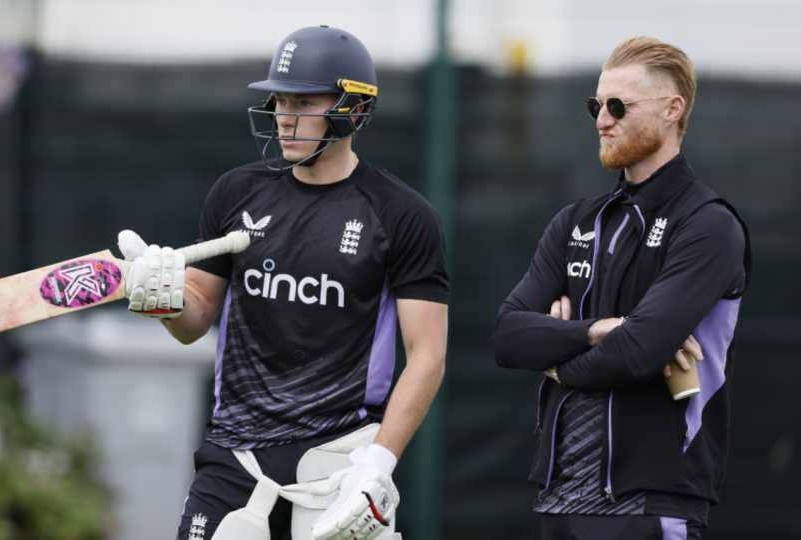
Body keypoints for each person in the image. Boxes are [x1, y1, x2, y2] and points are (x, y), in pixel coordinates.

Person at [117, 25, 449, 540]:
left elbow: (427, 355)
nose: (285, 118)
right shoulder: (236, 193)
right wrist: (163, 301)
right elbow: (195, 319)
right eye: (280, 101)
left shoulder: (402, 215)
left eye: (304, 102)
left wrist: (378, 462)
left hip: (338, 462)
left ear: (354, 109)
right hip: (234, 454)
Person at [494, 36, 751, 539]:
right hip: (559, 499)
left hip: (651, 502)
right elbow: (507, 337)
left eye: (618, 106)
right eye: (596, 106)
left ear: (673, 109)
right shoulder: (575, 221)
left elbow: (637, 351)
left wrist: (554, 358)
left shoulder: (708, 224)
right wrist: (595, 332)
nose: (601, 121)